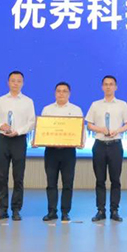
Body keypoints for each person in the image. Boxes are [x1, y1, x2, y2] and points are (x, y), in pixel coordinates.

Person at [0, 70, 36, 221]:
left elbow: (32, 122)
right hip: (3, 139)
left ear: (23, 83)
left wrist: (18, 131)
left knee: (18, 176)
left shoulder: (28, 101)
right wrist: (0, 126)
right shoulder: (0, 100)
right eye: (13, 80)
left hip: (19, 140)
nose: (15, 83)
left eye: (19, 81)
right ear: (8, 82)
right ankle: (2, 209)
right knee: (1, 176)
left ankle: (16, 209)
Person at [85, 75, 127, 222]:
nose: (108, 87)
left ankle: (114, 210)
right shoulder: (95, 105)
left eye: (111, 84)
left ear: (116, 87)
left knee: (115, 179)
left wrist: (118, 130)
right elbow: (89, 124)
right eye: (106, 84)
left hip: (115, 145)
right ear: (102, 87)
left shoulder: (122, 104)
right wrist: (100, 129)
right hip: (99, 144)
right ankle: (100, 210)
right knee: (100, 179)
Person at [37, 82, 84, 222]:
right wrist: (39, 139)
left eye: (64, 91)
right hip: (51, 151)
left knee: (67, 183)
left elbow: (81, 129)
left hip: (68, 152)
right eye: (59, 91)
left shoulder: (76, 110)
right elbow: (42, 129)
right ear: (55, 93)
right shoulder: (47, 109)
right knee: (51, 182)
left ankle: (65, 212)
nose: (61, 93)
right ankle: (52, 211)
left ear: (69, 94)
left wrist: (80, 143)